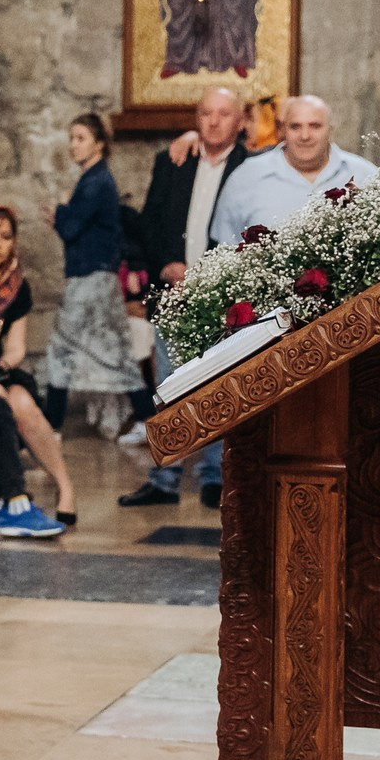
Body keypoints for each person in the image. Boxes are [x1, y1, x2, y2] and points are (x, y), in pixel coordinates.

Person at [123, 86, 251, 494]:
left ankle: (215, 473)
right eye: (205, 113)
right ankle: (165, 475)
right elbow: (151, 221)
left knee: (222, 380)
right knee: (169, 383)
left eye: (224, 114)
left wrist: (211, 271)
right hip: (174, 289)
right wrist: (164, 263)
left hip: (223, 292)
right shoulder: (173, 160)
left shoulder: (253, 167)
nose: (213, 122)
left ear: (241, 121)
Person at [0, 205, 74, 535]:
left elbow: (16, 349)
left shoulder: (16, 286)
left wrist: (1, 367)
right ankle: (9, 498)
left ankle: (66, 489)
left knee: (21, 400)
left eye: (6, 237)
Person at [40, 111, 143, 434]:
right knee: (114, 352)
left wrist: (60, 209)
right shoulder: (95, 179)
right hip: (98, 277)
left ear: (99, 143)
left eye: (81, 138)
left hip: (90, 280)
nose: (74, 145)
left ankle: (50, 428)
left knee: (62, 349)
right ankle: (146, 420)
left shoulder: (96, 182)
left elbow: (71, 228)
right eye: (72, 138)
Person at [209, 94, 377, 247]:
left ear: (331, 130)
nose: (304, 136)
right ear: (283, 131)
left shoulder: (365, 175)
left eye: (315, 126)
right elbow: (225, 248)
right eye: (295, 127)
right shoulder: (245, 177)